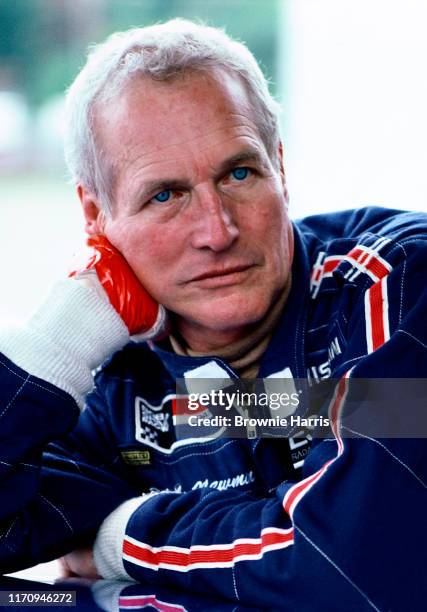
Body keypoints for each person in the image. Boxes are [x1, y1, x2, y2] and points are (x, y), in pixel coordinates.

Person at [0, 18, 426, 611]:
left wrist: (121, 539)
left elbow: (357, 570)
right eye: (165, 195)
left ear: (280, 166)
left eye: (239, 173)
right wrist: (58, 343)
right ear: (96, 216)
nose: (216, 231)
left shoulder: (394, 283)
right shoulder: (114, 390)